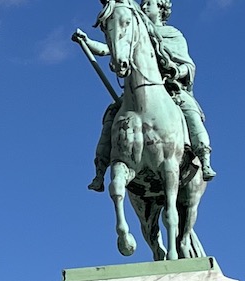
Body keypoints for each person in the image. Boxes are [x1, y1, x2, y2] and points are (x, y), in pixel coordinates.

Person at [76, 0, 214, 193]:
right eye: (144, 3)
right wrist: (87, 42)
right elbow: (110, 48)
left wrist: (175, 72)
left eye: (150, 3)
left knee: (189, 109)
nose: (144, 6)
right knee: (111, 117)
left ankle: (204, 157)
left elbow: (188, 66)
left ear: (161, 10)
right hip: (136, 92)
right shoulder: (135, 31)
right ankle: (100, 171)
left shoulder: (172, 34)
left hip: (171, 89)